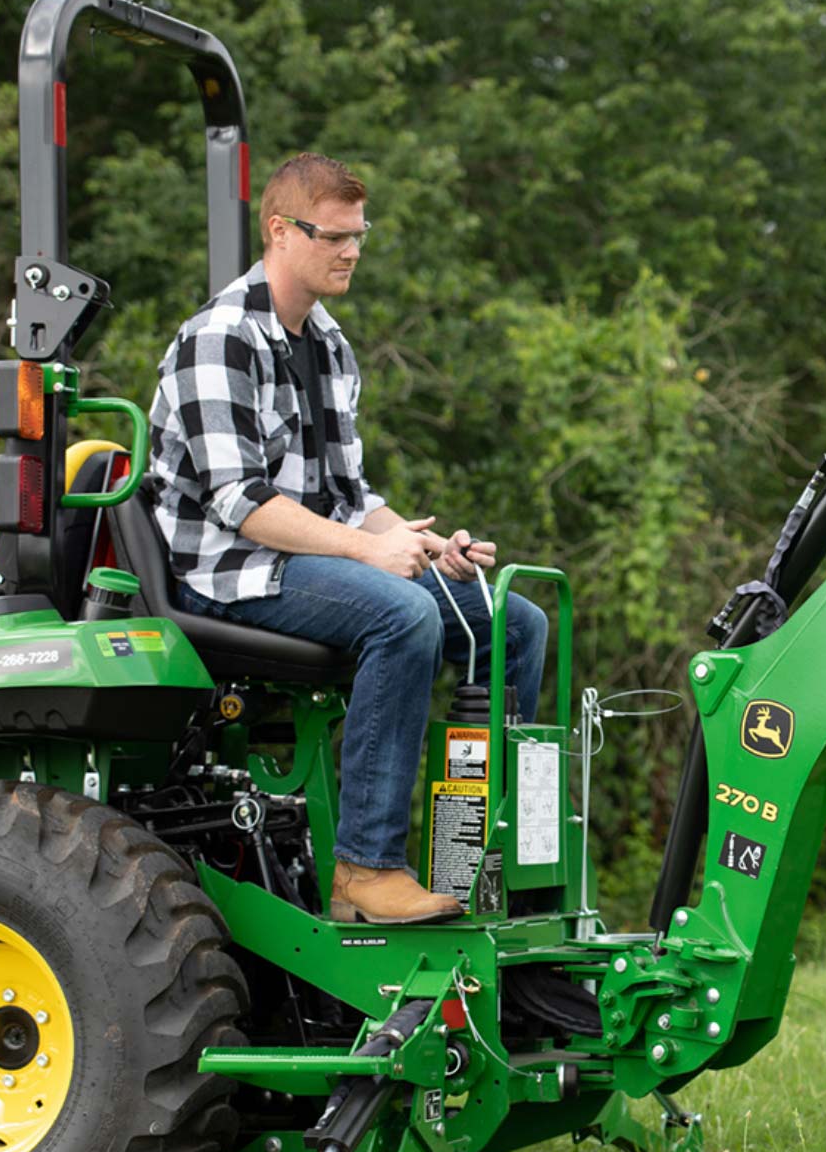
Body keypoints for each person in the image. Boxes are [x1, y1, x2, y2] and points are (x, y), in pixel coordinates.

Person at [145, 152, 547, 925]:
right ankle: (365, 869)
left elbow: (351, 497)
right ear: (280, 231)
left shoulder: (325, 343)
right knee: (403, 615)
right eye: (334, 236)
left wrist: (423, 544)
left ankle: (492, 861)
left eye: (359, 235)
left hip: (307, 555)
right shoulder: (219, 337)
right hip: (229, 572)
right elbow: (241, 503)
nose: (352, 251)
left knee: (512, 623)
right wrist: (371, 552)